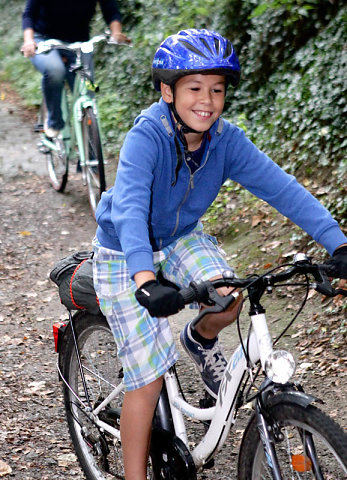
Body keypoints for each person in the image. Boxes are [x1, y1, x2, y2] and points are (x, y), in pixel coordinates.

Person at [92, 28, 347, 479]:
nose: (207, 100)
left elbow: (282, 189)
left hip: (182, 237)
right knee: (147, 379)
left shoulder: (226, 141)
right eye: (194, 88)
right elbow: (130, 207)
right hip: (122, 253)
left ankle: (200, 338)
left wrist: (338, 242)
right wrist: (144, 279)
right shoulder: (146, 136)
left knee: (228, 294)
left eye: (217, 89)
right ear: (168, 91)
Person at [21, 0, 130, 138]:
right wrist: (29, 40)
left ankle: (91, 154)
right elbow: (29, 13)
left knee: (87, 92)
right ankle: (54, 121)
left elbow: (111, 9)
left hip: (79, 43)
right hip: (43, 40)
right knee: (55, 70)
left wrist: (116, 32)